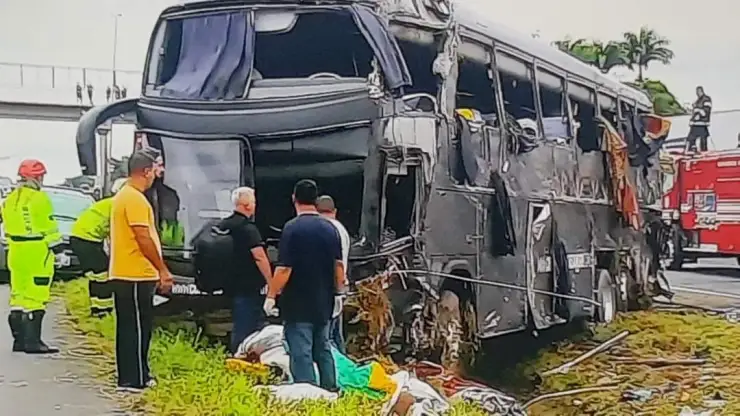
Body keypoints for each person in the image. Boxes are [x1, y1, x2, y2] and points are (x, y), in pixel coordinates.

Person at [265, 179, 346, 391]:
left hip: (298, 303)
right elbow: (338, 266)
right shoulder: (330, 229)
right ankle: (330, 389)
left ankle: (307, 392)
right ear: (316, 201)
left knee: (301, 351)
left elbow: (284, 269)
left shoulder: (292, 229)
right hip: (324, 302)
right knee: (323, 348)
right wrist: (339, 293)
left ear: (294, 199)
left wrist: (272, 295)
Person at [109, 149, 172, 392]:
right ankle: (133, 379)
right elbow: (142, 237)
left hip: (132, 273)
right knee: (134, 328)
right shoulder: (134, 198)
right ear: (145, 171)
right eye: (156, 169)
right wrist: (162, 269)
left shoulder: (127, 195)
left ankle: (138, 374)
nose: (158, 174)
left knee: (136, 326)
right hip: (133, 274)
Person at [1, 159, 63, 354]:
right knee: (36, 295)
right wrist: (59, 251)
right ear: (37, 177)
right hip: (37, 250)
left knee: (18, 295)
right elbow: (49, 227)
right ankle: (33, 342)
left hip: (15, 250)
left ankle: (19, 341)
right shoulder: (39, 199)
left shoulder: (10, 199)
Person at [219, 187, 273, 353]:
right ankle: (241, 356)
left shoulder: (223, 225)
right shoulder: (248, 229)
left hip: (228, 283)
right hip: (248, 286)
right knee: (246, 325)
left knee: (238, 322)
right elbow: (259, 257)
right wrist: (272, 282)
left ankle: (236, 353)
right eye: (254, 202)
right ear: (247, 205)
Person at [70, 178, 127, 317]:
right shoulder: (118, 205)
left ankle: (97, 309)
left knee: (95, 276)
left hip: (82, 239)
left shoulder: (108, 203)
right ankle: (103, 311)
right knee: (102, 275)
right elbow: (115, 233)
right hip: (87, 240)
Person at [316, 195, 350, 354]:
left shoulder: (323, 229)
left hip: (327, 289)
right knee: (336, 334)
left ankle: (336, 369)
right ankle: (343, 365)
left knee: (327, 337)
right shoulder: (342, 229)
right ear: (334, 211)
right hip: (339, 287)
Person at [687, 86, 712, 152]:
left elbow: (706, 112)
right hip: (695, 124)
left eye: (698, 92)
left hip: (702, 124)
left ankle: (704, 153)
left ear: (701, 91)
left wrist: (697, 110)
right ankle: (692, 151)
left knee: (703, 141)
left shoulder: (707, 99)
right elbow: (695, 112)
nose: (697, 93)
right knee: (690, 140)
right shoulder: (697, 101)